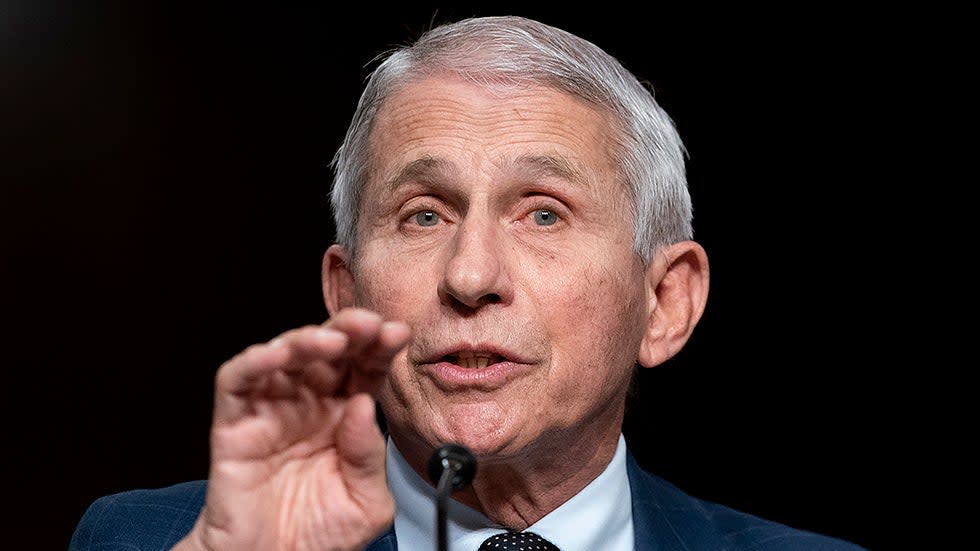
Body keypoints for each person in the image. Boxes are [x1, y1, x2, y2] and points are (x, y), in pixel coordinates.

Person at [69, 15, 867, 551]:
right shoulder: (151, 539)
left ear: (665, 303)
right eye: (423, 215)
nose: (471, 275)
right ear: (346, 300)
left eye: (544, 214)